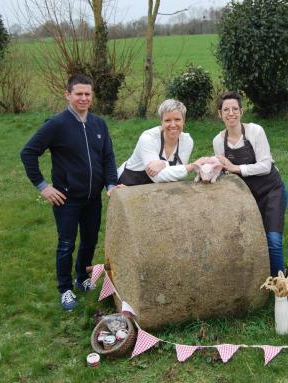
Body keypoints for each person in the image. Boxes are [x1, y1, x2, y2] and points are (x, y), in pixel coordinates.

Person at [20, 74, 118, 311]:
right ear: (68, 95)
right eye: (78, 94)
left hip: (93, 198)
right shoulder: (56, 124)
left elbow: (107, 157)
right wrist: (43, 187)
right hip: (67, 199)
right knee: (66, 244)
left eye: (87, 94)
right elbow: (28, 153)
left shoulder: (98, 124)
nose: (83, 98)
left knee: (89, 240)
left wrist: (111, 184)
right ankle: (65, 289)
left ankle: (82, 278)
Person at [212, 91, 287, 277]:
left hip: (272, 191)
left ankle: (280, 285)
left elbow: (265, 165)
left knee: (273, 239)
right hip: (248, 196)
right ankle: (262, 281)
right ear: (219, 114)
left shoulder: (255, 131)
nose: (231, 113)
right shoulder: (218, 141)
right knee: (253, 240)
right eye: (226, 110)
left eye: (235, 109)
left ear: (241, 111)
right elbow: (224, 170)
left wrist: (236, 168)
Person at [117, 99, 195, 185]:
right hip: (129, 183)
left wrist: (163, 164)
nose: (173, 125)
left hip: (155, 186)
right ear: (161, 122)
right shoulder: (148, 138)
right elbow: (157, 176)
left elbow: (179, 175)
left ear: (184, 121)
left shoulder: (187, 141)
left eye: (177, 119)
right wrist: (192, 166)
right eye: (167, 120)